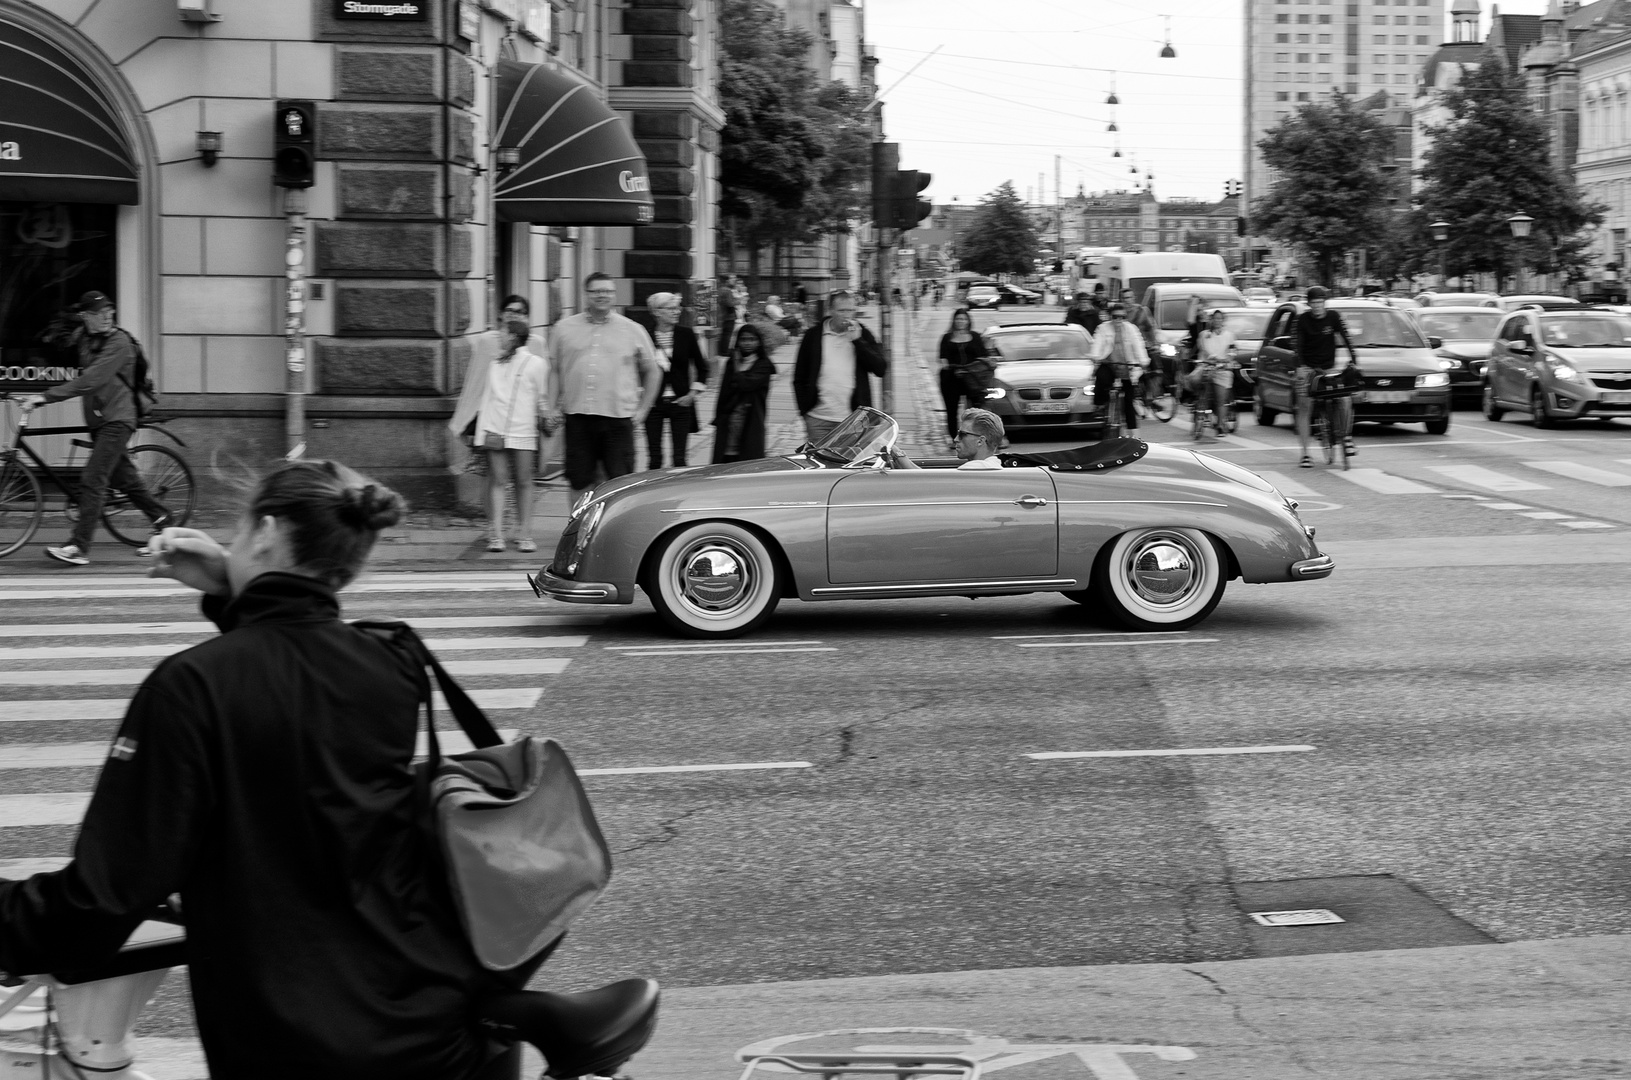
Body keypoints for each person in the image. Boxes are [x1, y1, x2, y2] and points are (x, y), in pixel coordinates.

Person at [0, 461, 541, 1080]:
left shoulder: (191, 688)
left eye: (236, 527)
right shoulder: (390, 665)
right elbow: (291, 688)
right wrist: (235, 591)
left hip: (296, 1048)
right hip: (426, 1024)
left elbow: (99, 906)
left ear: (264, 532)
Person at [14, 291, 172, 566]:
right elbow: (60, 348)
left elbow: (91, 380)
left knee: (92, 478)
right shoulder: (85, 340)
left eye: (110, 311)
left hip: (119, 419)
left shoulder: (120, 342)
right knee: (127, 481)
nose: (108, 316)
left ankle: (78, 546)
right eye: (99, 313)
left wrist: (44, 397)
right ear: (85, 317)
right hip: (100, 421)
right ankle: (165, 526)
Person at [550, 272, 662, 503]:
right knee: (578, 480)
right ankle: (579, 534)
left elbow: (653, 371)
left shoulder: (633, 329)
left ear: (613, 295)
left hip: (618, 419)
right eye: (596, 291)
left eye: (607, 291)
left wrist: (642, 411)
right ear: (586, 294)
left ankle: (611, 532)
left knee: (619, 482)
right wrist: (551, 407)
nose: (602, 295)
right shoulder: (563, 328)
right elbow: (554, 370)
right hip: (577, 417)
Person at [449, 295, 555, 482]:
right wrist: (466, 417)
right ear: (501, 314)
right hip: (492, 419)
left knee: (523, 477)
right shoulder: (487, 341)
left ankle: (516, 510)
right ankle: (492, 511)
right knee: (491, 475)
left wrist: (544, 415)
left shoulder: (536, 343)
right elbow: (475, 382)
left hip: (524, 421)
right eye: (510, 311)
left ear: (527, 317)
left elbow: (542, 384)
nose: (514, 315)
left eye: (520, 312)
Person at [475, 319, 552, 552]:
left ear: (514, 336)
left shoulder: (537, 363)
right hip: (495, 428)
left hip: (524, 428)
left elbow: (542, 397)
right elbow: (487, 399)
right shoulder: (495, 363)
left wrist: (546, 421)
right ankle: (496, 533)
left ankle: (525, 533)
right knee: (498, 480)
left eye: (504, 332)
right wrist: (482, 434)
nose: (500, 335)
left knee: (524, 481)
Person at [792, 290, 887, 444]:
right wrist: (805, 411)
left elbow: (880, 368)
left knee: (851, 466)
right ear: (830, 311)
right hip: (818, 418)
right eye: (841, 310)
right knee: (820, 465)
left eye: (850, 310)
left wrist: (857, 341)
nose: (847, 315)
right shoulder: (813, 336)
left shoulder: (862, 333)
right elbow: (799, 376)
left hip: (854, 419)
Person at [642, 292, 710, 470]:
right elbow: (635, 368)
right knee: (654, 457)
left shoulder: (686, 334)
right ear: (657, 312)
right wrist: (641, 394)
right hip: (653, 404)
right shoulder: (645, 335)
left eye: (677, 308)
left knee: (680, 458)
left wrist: (692, 394)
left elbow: (703, 368)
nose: (677, 312)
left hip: (681, 403)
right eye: (671, 308)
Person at [1292, 285, 1359, 468]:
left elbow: (1346, 338)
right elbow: (1296, 345)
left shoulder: (1334, 317)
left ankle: (1346, 436)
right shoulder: (1301, 320)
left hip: (1329, 367)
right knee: (1304, 406)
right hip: (1307, 367)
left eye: (1320, 303)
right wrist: (1300, 367)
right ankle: (1305, 454)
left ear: (1324, 303)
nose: (1317, 306)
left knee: (1345, 398)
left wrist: (1354, 360)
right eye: (1313, 303)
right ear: (1308, 304)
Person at [712, 324, 777, 463]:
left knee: (747, 461)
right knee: (726, 458)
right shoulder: (731, 363)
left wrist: (736, 365)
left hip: (751, 419)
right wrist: (718, 416)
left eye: (752, 339)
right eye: (743, 339)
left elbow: (746, 384)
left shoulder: (763, 364)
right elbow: (723, 392)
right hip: (729, 420)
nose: (747, 343)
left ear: (758, 342)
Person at [1088, 302, 1150, 435]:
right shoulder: (1103, 328)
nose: (1118, 320)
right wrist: (1095, 355)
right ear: (1111, 316)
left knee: (1128, 400)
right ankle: (1100, 405)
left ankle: (1134, 434)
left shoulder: (1131, 329)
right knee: (1102, 379)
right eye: (1115, 316)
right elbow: (1097, 343)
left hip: (1128, 366)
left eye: (1122, 317)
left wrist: (1143, 361)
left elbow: (1138, 345)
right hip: (1109, 364)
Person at [938, 307, 990, 443]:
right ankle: (954, 437)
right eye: (958, 319)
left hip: (972, 378)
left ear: (968, 321)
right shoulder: (947, 338)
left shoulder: (975, 337)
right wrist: (949, 367)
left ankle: (974, 435)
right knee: (951, 409)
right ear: (954, 321)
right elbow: (943, 357)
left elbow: (983, 356)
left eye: (964, 319)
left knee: (975, 409)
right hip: (951, 378)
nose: (961, 321)